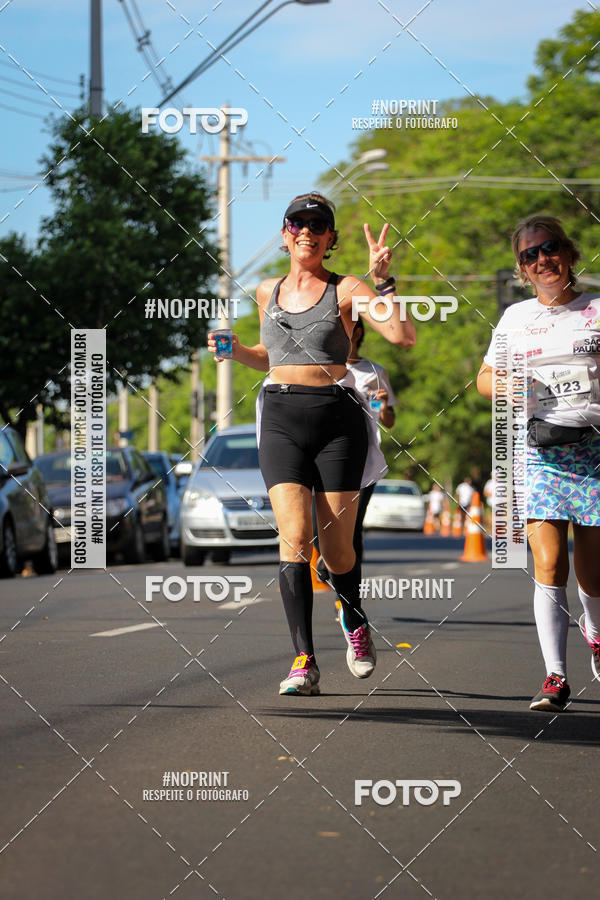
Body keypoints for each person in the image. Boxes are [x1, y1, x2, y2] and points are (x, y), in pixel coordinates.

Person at [208, 191, 416, 695]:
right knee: (295, 536)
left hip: (336, 419)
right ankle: (304, 659)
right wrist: (237, 351)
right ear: (285, 234)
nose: (307, 230)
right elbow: (269, 356)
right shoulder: (265, 291)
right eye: (297, 222)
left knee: (338, 549)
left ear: (329, 239)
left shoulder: (348, 288)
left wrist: (384, 280)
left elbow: (401, 335)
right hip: (280, 415)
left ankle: (355, 618)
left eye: (317, 224)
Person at [477, 214, 600, 711]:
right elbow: (486, 377)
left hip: (594, 448)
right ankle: (555, 677)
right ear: (521, 269)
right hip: (539, 451)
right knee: (549, 562)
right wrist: (508, 385)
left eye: (548, 249)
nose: (541, 260)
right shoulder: (515, 319)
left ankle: (595, 630)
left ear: (567, 253)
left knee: (593, 575)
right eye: (529, 255)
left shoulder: (595, 309)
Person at [315, 315, 397, 581]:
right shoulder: (320, 367)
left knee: (352, 528)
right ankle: (328, 563)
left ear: (358, 332)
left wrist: (383, 407)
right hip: (325, 454)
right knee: (322, 528)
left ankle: (349, 600)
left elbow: (389, 421)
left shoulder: (374, 371)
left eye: (344, 330)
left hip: (363, 456)